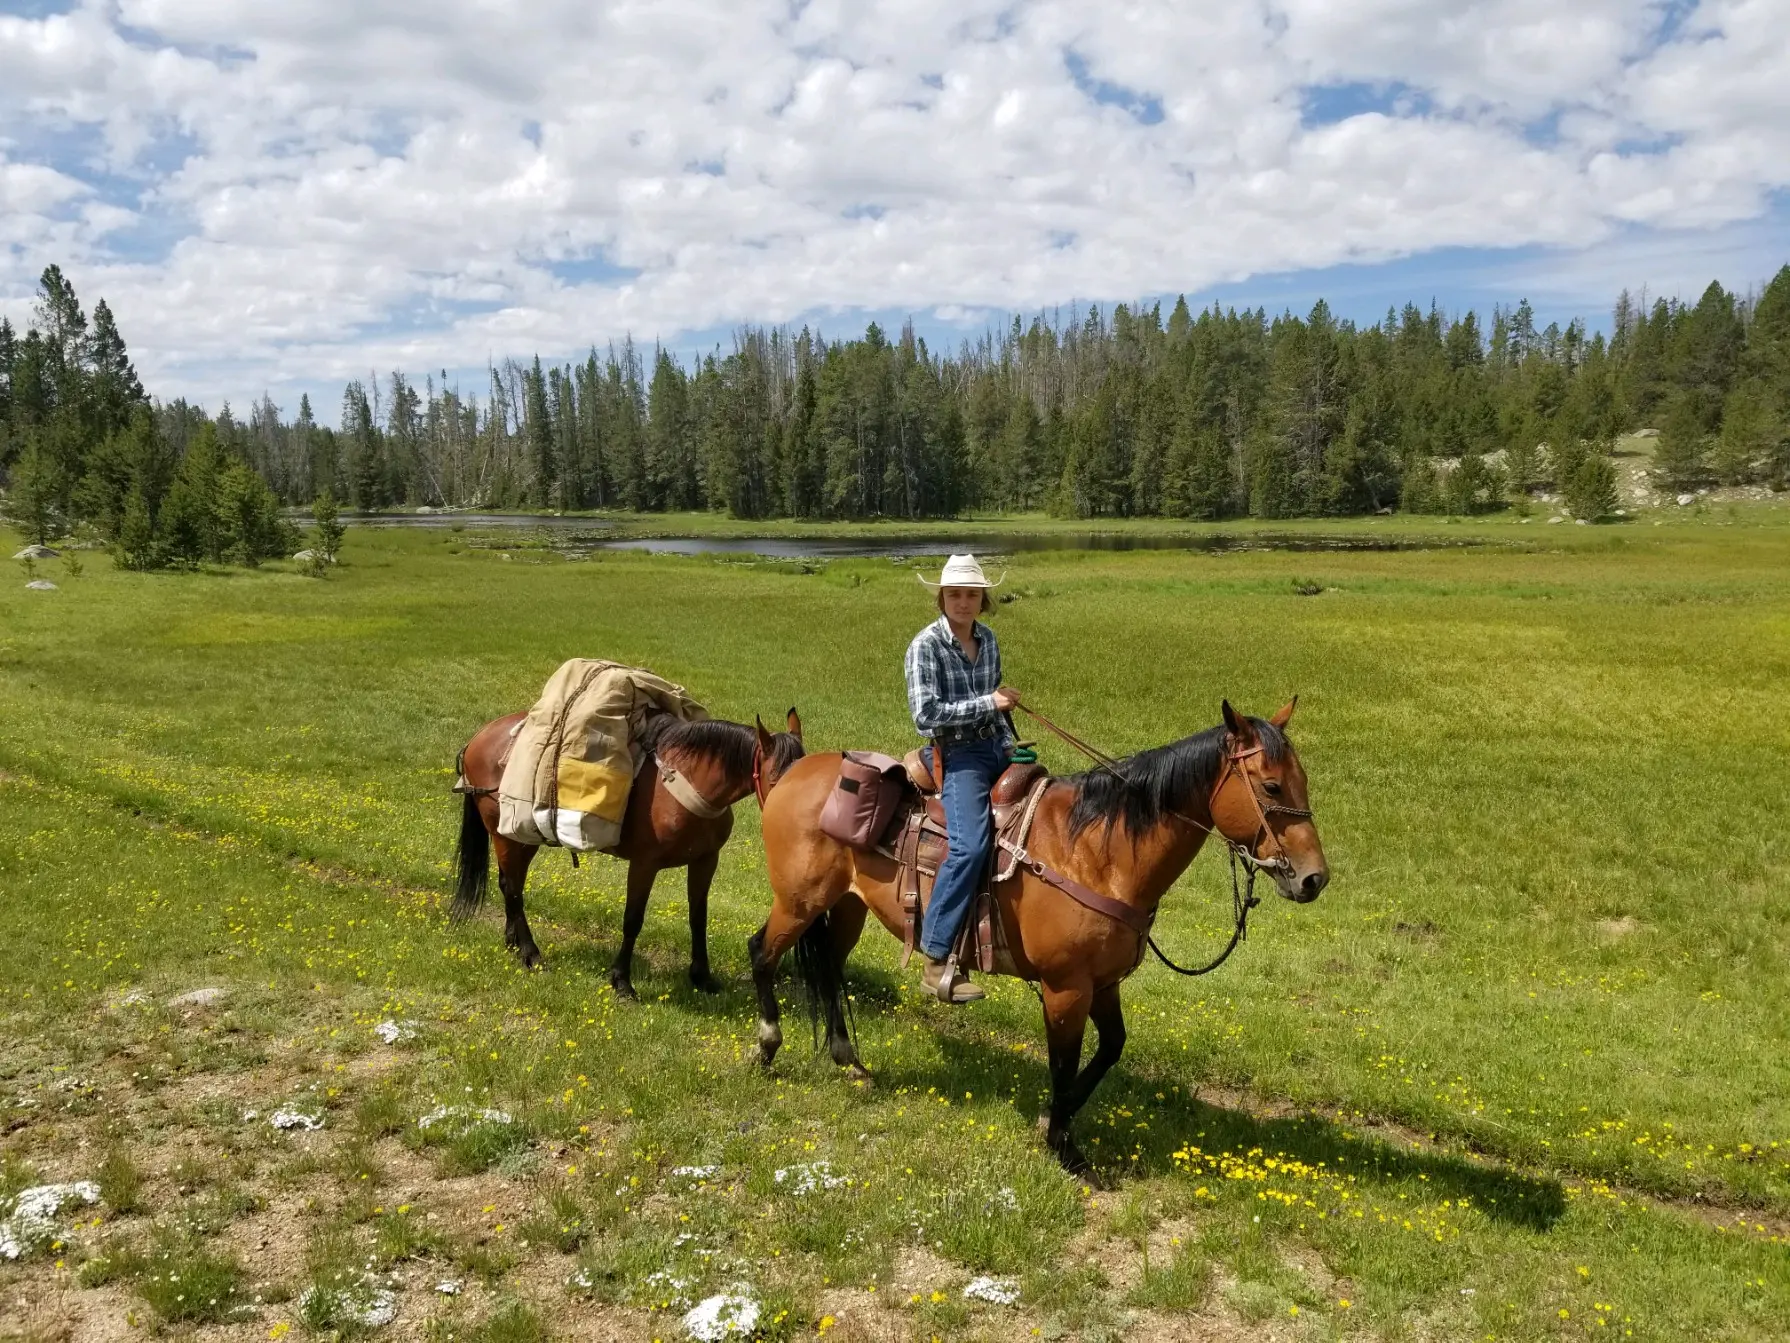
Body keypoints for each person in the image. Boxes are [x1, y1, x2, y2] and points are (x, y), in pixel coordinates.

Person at [904, 554, 1022, 1003]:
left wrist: (1010, 743)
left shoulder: (988, 640)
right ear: (942, 597)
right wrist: (990, 703)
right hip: (957, 756)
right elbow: (925, 715)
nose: (963, 602)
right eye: (954, 594)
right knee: (969, 846)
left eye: (971, 594)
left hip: (995, 748)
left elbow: (996, 708)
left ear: (982, 598)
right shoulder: (925, 646)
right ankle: (936, 958)